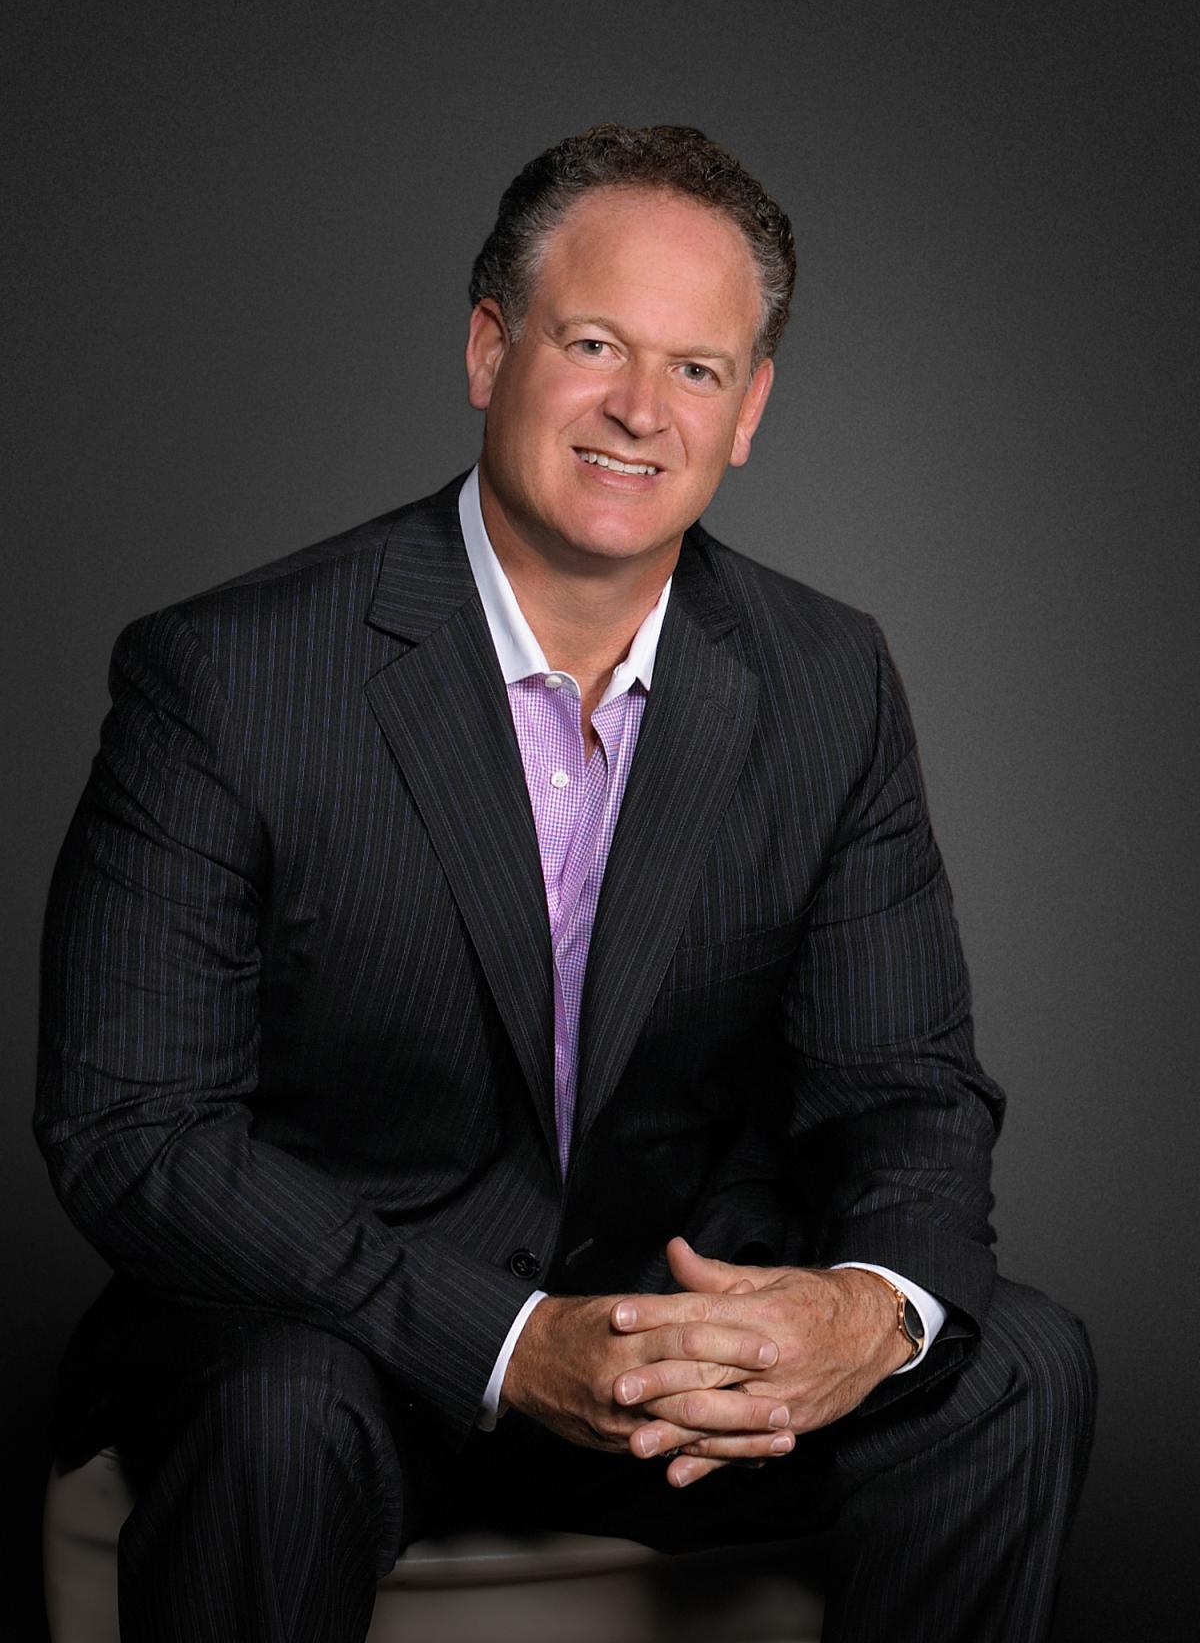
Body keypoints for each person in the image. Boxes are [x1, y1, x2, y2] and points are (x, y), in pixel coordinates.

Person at [36, 123, 1096, 1643]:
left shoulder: (830, 679)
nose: (639, 411)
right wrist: (510, 1337)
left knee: (1019, 1365)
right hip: (341, 1338)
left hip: (670, 1348)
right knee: (276, 1409)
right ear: (490, 349)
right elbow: (134, 1130)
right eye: (594, 343)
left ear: (749, 412)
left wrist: (862, 1308)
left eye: (696, 369)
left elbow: (906, 1088)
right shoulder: (226, 674)